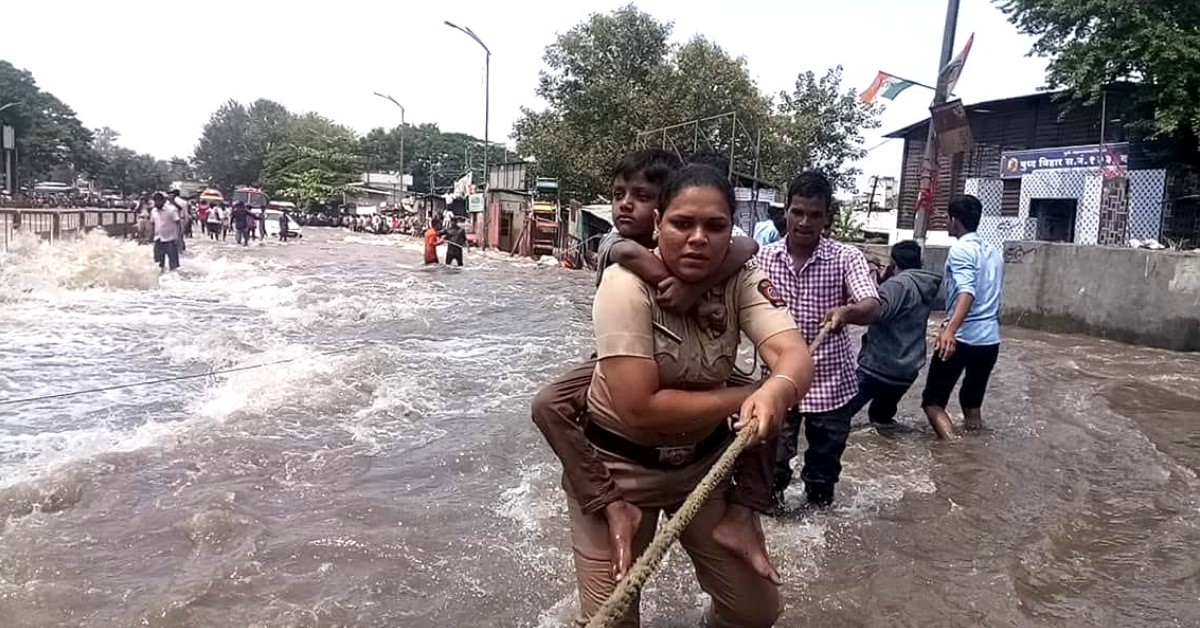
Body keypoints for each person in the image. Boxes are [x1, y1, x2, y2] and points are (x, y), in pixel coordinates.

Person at [561, 163, 813, 628]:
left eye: (715, 226)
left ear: (730, 231)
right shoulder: (624, 284)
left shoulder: (741, 279)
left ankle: (744, 515)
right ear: (657, 224)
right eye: (682, 223)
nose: (699, 238)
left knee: (755, 612)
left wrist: (778, 387)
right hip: (619, 470)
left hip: (702, 466)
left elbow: (792, 353)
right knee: (610, 621)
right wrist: (750, 395)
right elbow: (639, 409)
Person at [531, 149, 771, 589]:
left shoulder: (695, 242)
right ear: (665, 221)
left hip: (687, 363)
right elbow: (646, 267)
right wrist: (691, 288)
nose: (625, 205)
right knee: (548, 403)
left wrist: (694, 282)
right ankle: (606, 498)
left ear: (661, 206)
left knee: (773, 400)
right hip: (620, 359)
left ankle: (746, 510)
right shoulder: (615, 243)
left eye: (639, 196)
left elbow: (748, 245)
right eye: (619, 194)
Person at [755, 171, 880, 510]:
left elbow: (871, 305)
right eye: (797, 212)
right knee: (771, 469)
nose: (804, 222)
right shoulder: (762, 260)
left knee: (823, 475)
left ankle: (819, 533)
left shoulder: (846, 257)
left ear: (827, 218)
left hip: (831, 385)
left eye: (814, 214)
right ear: (786, 213)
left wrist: (847, 312)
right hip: (780, 380)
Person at [921, 195, 1004, 438]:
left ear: (954, 221)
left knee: (932, 402)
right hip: (990, 340)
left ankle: (955, 453)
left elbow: (967, 292)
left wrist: (949, 330)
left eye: (948, 219)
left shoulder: (960, 250)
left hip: (962, 337)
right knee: (972, 402)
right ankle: (975, 448)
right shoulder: (994, 253)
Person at [839, 240, 941, 432]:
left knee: (838, 417)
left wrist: (847, 312)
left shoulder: (897, 284)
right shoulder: (925, 284)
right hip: (906, 370)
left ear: (894, 264)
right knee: (880, 419)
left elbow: (875, 312)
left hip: (878, 367)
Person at [150, 192, 182, 271]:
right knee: (158, 264)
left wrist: (179, 238)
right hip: (158, 239)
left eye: (158, 201)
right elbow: (152, 224)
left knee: (173, 264)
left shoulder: (171, 210)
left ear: (163, 201)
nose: (157, 203)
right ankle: (162, 279)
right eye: (155, 201)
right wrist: (151, 236)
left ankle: (174, 279)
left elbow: (178, 223)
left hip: (170, 240)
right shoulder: (153, 211)